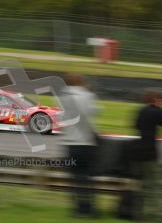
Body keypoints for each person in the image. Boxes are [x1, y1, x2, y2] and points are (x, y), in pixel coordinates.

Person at [60, 73, 99, 218]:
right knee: (87, 178)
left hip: (69, 143)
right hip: (86, 143)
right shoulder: (87, 95)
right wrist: (88, 91)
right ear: (81, 82)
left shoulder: (63, 97)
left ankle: (77, 209)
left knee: (74, 178)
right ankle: (90, 208)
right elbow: (95, 112)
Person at [134, 88, 162, 222]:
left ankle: (139, 213)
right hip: (151, 152)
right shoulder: (156, 111)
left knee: (142, 184)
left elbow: (137, 126)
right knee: (155, 185)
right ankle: (158, 215)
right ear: (157, 100)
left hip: (139, 151)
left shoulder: (141, 111)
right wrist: (161, 107)